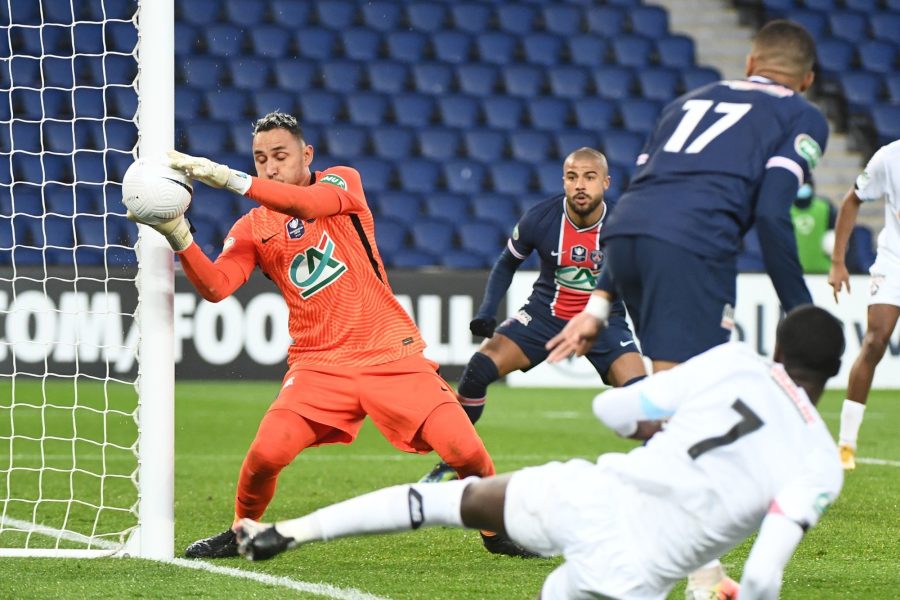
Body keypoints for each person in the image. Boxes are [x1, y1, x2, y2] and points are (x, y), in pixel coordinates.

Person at [235, 305, 845, 600]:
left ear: (779, 351)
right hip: (637, 572)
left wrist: (658, 428)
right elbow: (764, 575)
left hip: (587, 495)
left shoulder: (737, 363)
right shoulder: (818, 461)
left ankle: (290, 531)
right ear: (834, 371)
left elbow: (614, 412)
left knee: (443, 500)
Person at [125, 111, 526, 558]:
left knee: (464, 449)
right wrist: (180, 236)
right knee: (265, 455)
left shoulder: (341, 182)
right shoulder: (252, 228)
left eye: (280, 155)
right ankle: (242, 530)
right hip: (317, 366)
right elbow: (218, 287)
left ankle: (495, 532)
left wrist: (232, 180)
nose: (270, 167)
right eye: (260, 159)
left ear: (307, 154)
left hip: (390, 354)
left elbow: (306, 206)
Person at [547, 20, 827, 376]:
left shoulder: (685, 103)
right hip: (692, 243)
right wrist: (800, 310)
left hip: (623, 237)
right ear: (807, 81)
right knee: (690, 393)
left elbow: (645, 196)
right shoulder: (802, 115)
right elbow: (771, 212)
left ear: (751, 63)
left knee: (674, 390)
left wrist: (599, 304)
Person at [420, 148, 647, 484]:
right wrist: (487, 311)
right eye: (572, 177)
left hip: (604, 322)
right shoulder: (541, 218)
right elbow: (506, 263)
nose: (580, 185)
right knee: (478, 369)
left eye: (589, 177)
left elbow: (641, 279)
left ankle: (658, 476)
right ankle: (454, 462)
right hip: (544, 316)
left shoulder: (623, 224)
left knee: (643, 395)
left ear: (606, 182)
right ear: (564, 181)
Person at [828, 139, 900, 470]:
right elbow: (852, 200)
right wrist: (838, 262)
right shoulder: (889, 157)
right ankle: (846, 444)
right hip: (893, 262)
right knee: (875, 340)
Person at [791, 177, 837, 274]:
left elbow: (835, 237)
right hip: (793, 271)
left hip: (823, 271)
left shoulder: (826, 207)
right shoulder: (784, 209)